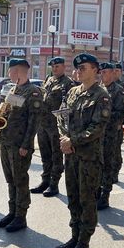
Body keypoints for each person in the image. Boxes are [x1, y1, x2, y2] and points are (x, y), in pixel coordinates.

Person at [54, 53, 111, 248]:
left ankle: (84, 242)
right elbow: (62, 117)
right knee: (73, 198)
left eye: (83, 68)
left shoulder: (101, 96)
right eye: (77, 68)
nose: (78, 72)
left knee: (87, 200)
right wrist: (63, 137)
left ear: (95, 71)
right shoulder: (72, 93)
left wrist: (73, 141)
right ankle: (74, 236)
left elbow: (97, 128)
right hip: (71, 156)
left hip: (89, 158)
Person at [0, 59, 43, 232]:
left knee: (20, 180)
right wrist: (0, 112)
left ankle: (21, 216)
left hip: (20, 144)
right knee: (10, 180)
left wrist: (26, 145)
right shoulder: (15, 89)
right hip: (7, 142)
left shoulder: (33, 92)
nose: (8, 74)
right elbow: (10, 113)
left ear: (18, 71)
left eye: (10, 71)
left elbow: (34, 121)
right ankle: (12, 212)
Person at [31, 57, 73, 197]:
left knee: (56, 156)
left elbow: (69, 106)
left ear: (63, 67)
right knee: (45, 155)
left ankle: (54, 184)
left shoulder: (68, 84)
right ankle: (45, 181)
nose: (54, 69)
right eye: (53, 66)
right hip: (43, 124)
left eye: (57, 66)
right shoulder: (49, 80)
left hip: (55, 126)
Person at [97, 62, 124, 210]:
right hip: (97, 133)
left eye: (105, 72)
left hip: (110, 133)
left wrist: (102, 117)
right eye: (101, 72)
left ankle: (105, 195)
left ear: (112, 73)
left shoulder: (119, 91)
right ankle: (97, 191)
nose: (102, 75)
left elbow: (120, 113)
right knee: (98, 163)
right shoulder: (99, 89)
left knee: (108, 163)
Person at [113, 62, 124, 182]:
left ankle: (115, 172)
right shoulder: (106, 84)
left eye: (117, 71)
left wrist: (119, 123)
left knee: (116, 150)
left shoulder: (123, 87)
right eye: (114, 71)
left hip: (117, 125)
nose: (115, 73)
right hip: (106, 125)